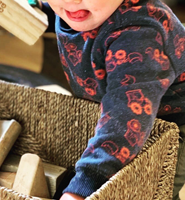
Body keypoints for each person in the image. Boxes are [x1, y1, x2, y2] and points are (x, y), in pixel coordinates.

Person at [30, 0, 185, 199]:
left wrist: (86, 182)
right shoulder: (83, 8)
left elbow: (124, 120)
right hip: (122, 114)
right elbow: (62, 14)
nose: (69, 1)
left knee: (150, 189)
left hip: (175, 125)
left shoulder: (139, 36)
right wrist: (41, 7)